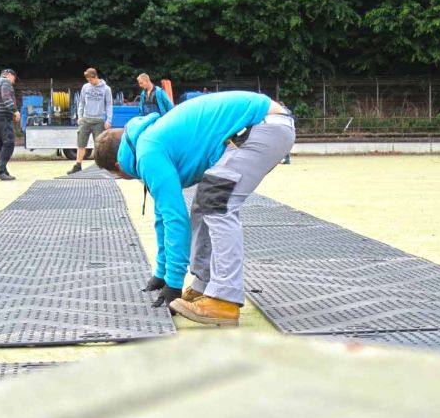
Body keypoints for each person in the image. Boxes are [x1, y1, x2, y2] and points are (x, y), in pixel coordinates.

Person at [92, 91, 295, 327]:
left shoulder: (148, 152)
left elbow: (175, 219)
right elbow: (163, 214)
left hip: (263, 126)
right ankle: (205, 286)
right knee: (203, 203)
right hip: (263, 125)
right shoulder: (147, 141)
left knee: (217, 202)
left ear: (119, 166)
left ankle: (224, 299)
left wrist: (174, 283)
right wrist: (162, 273)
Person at [67, 68, 112, 174]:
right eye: (88, 80)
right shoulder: (85, 87)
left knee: (99, 145)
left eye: (90, 80)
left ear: (95, 76)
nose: (89, 82)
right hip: (86, 120)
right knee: (81, 144)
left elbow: (109, 105)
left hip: (99, 120)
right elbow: (81, 102)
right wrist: (80, 116)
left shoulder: (106, 89)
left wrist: (108, 120)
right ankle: (78, 165)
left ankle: (100, 166)